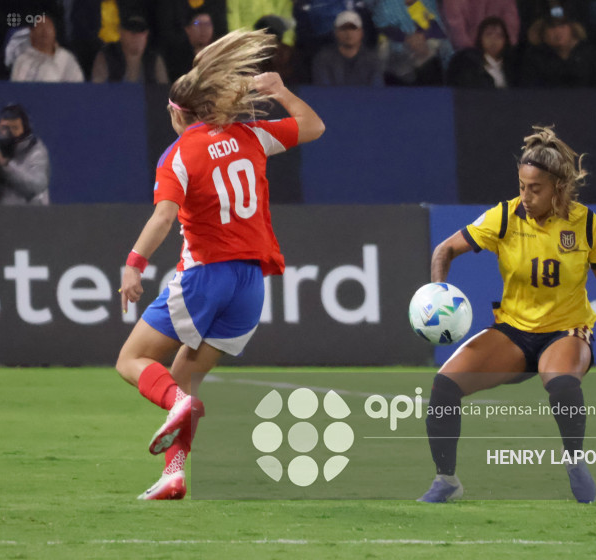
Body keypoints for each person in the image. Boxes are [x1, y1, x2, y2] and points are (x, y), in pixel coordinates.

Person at [116, 29, 325, 500]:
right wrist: (279, 91)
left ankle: (178, 404)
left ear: (178, 112)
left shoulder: (178, 155)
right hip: (251, 283)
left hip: (206, 275)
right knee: (187, 372)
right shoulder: (250, 137)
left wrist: (134, 263)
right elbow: (314, 128)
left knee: (133, 360)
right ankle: (174, 474)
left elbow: (164, 217)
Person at [418, 126, 596, 503]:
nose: (525, 195)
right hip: (512, 331)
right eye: (522, 185)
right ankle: (446, 480)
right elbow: (443, 251)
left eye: (535, 188)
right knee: (444, 386)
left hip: (567, 331)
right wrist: (437, 291)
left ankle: (575, 462)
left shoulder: (588, 225)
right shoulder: (504, 217)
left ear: (557, 187)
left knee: (560, 383)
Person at [519, 16, 596, 88]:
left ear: (572, 29)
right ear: (542, 33)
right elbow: (529, 90)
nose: (558, 32)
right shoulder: (534, 57)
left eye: (562, 26)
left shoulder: (589, 53)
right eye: (552, 27)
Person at [0, 104, 50, 205]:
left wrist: (6, 165)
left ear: (25, 129)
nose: (9, 132)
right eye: (4, 128)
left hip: (29, 214)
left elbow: (37, 186)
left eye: (15, 128)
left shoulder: (35, 150)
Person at [311, 10, 383, 86]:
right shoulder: (323, 58)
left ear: (361, 33)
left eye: (353, 28)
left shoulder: (373, 60)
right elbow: (322, 91)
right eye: (343, 28)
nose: (348, 33)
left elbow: (376, 92)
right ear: (336, 33)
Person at [91, 15, 169, 83]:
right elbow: (97, 92)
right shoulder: (106, 56)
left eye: (140, 30)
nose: (135, 35)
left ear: (146, 34)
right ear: (120, 32)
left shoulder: (154, 60)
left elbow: (163, 93)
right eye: (130, 28)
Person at [10, 12, 84, 82]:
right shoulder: (23, 60)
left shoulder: (66, 58)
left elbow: (78, 87)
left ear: (54, 32)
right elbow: (17, 91)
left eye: (48, 26)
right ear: (32, 33)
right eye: (40, 26)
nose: (44, 31)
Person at [446, 16, 517, 88]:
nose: (493, 40)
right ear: (480, 38)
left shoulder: (512, 67)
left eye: (499, 36)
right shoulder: (468, 63)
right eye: (489, 34)